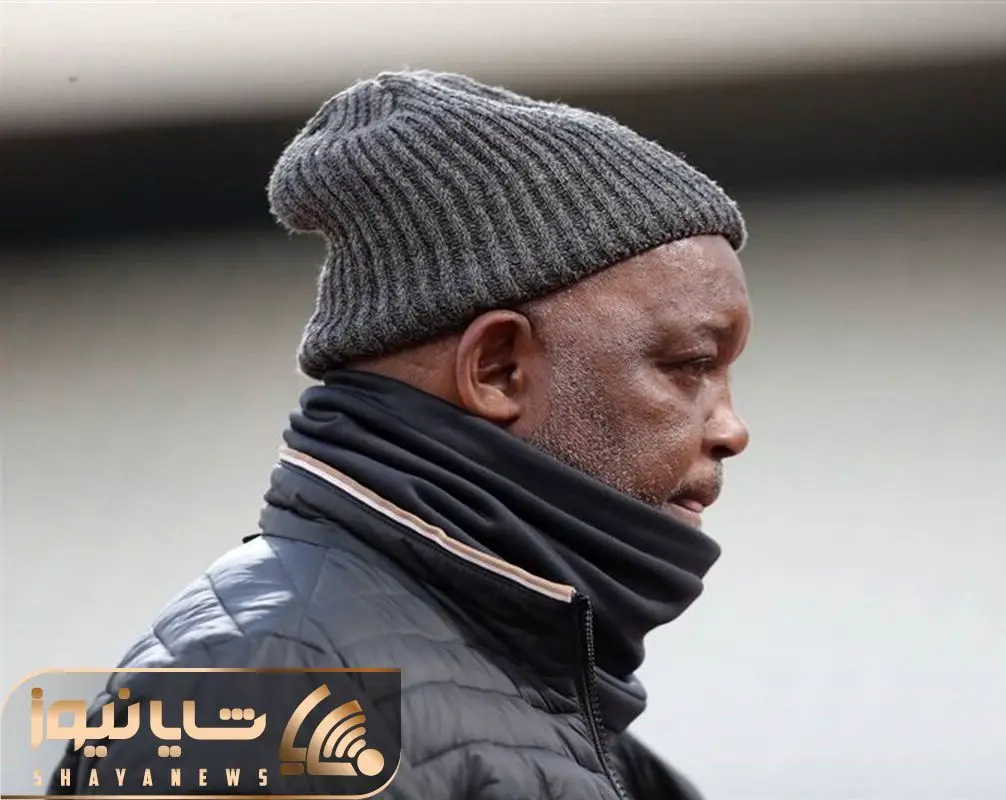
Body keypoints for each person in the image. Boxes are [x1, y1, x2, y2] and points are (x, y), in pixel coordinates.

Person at [52, 70, 752, 800]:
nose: (732, 429)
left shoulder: (548, 707)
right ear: (498, 369)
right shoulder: (270, 693)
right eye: (691, 364)